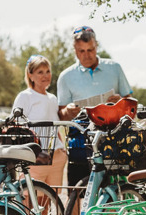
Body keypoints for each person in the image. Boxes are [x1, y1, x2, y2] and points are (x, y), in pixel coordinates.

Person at [57, 26, 133, 186]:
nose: (87, 55)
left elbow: (130, 103)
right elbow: (61, 115)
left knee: (114, 190)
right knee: (77, 191)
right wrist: (68, 111)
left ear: (96, 45)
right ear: (75, 50)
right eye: (81, 51)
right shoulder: (65, 77)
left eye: (90, 49)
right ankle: (78, 212)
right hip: (80, 139)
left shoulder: (114, 68)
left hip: (113, 137)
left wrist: (120, 101)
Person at [12, 54, 67, 187]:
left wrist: (62, 149)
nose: (45, 75)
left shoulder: (53, 98)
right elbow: (15, 126)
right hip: (35, 156)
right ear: (30, 75)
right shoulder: (25, 96)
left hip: (56, 155)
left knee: (50, 199)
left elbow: (54, 125)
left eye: (48, 71)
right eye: (40, 72)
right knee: (29, 199)